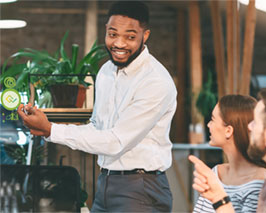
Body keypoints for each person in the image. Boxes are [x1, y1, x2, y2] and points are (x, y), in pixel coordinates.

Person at [17, 1, 177, 212]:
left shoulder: (155, 81)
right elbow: (98, 128)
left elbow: (116, 141)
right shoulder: (106, 72)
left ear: (144, 36)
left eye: (130, 37)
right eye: (112, 34)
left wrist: (52, 129)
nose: (119, 44)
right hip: (105, 182)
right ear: (106, 32)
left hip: (140, 188)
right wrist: (48, 127)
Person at [193, 95, 266, 213]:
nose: (208, 125)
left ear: (228, 131)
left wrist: (219, 198)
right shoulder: (216, 173)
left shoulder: (260, 182)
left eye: (212, 120)